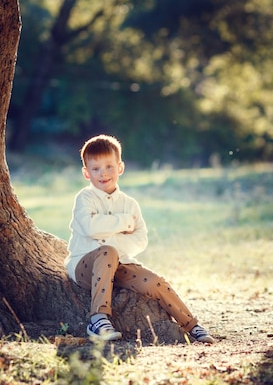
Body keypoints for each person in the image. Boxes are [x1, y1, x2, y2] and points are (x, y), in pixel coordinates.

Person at [65, 133, 215, 344]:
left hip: (119, 265)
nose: (103, 173)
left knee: (154, 281)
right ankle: (98, 319)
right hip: (85, 266)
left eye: (109, 166)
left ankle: (192, 325)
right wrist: (124, 223)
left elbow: (140, 239)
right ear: (86, 173)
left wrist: (108, 234)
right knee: (108, 251)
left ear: (120, 167)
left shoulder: (129, 204)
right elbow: (90, 228)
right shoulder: (85, 198)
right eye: (96, 168)